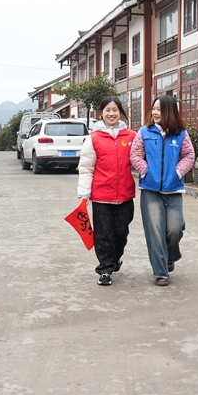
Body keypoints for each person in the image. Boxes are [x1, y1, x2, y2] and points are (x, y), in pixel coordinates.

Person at [129, 95, 195, 286]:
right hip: (150, 190)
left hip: (173, 190)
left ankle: (170, 256)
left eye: (160, 109)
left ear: (169, 112)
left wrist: (177, 173)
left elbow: (189, 155)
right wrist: (145, 170)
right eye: (154, 108)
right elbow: (134, 154)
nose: (155, 112)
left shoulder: (181, 133)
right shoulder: (144, 132)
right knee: (155, 231)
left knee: (175, 229)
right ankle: (161, 273)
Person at [77, 97, 136, 287]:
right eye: (107, 110)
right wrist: (84, 194)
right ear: (101, 113)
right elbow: (86, 168)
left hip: (125, 196)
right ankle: (105, 269)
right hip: (101, 196)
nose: (111, 113)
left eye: (115, 110)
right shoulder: (93, 138)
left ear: (121, 113)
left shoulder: (131, 136)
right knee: (103, 235)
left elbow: (140, 161)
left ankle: (115, 259)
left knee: (121, 233)